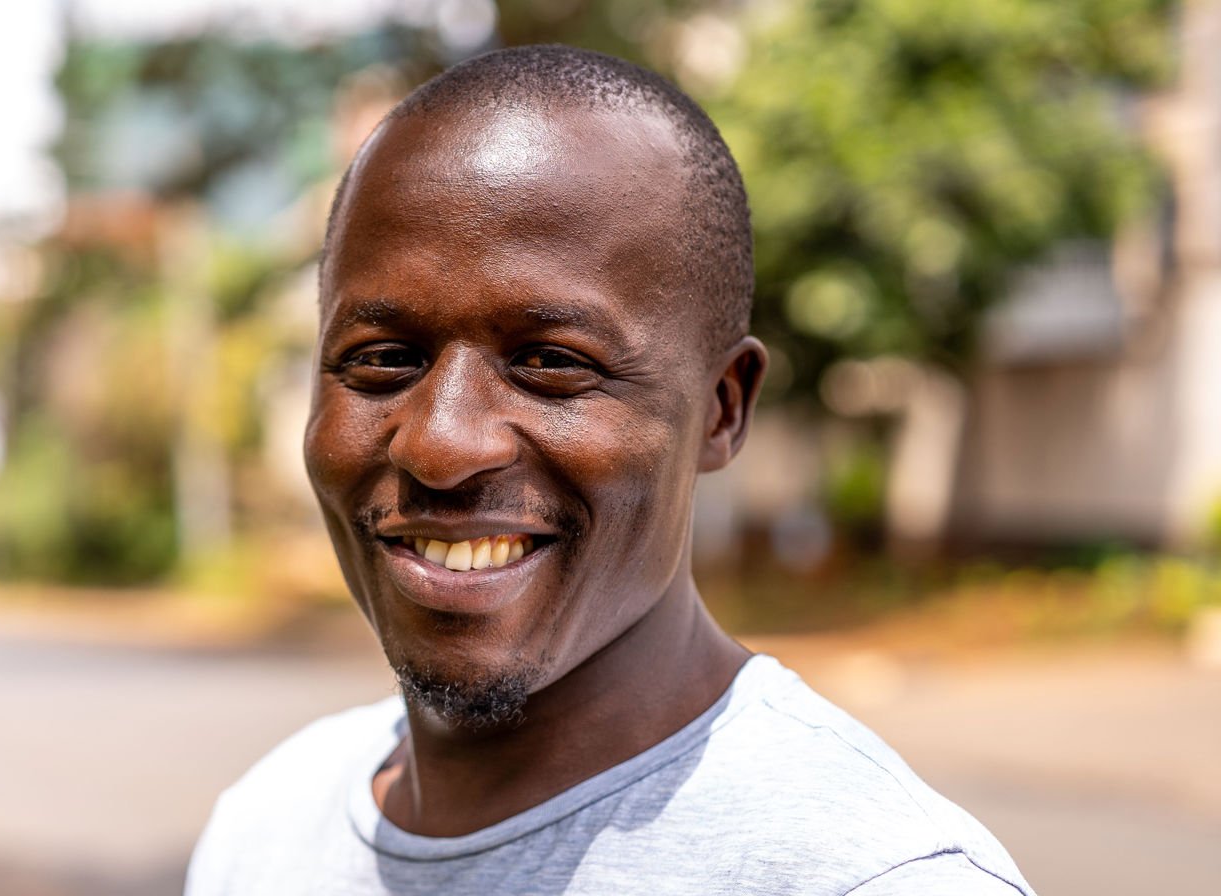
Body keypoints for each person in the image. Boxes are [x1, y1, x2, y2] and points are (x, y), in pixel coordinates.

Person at [185, 46, 1032, 895]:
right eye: (384, 360)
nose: (440, 445)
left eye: (550, 361)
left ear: (722, 408)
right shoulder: (267, 831)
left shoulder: (867, 877)